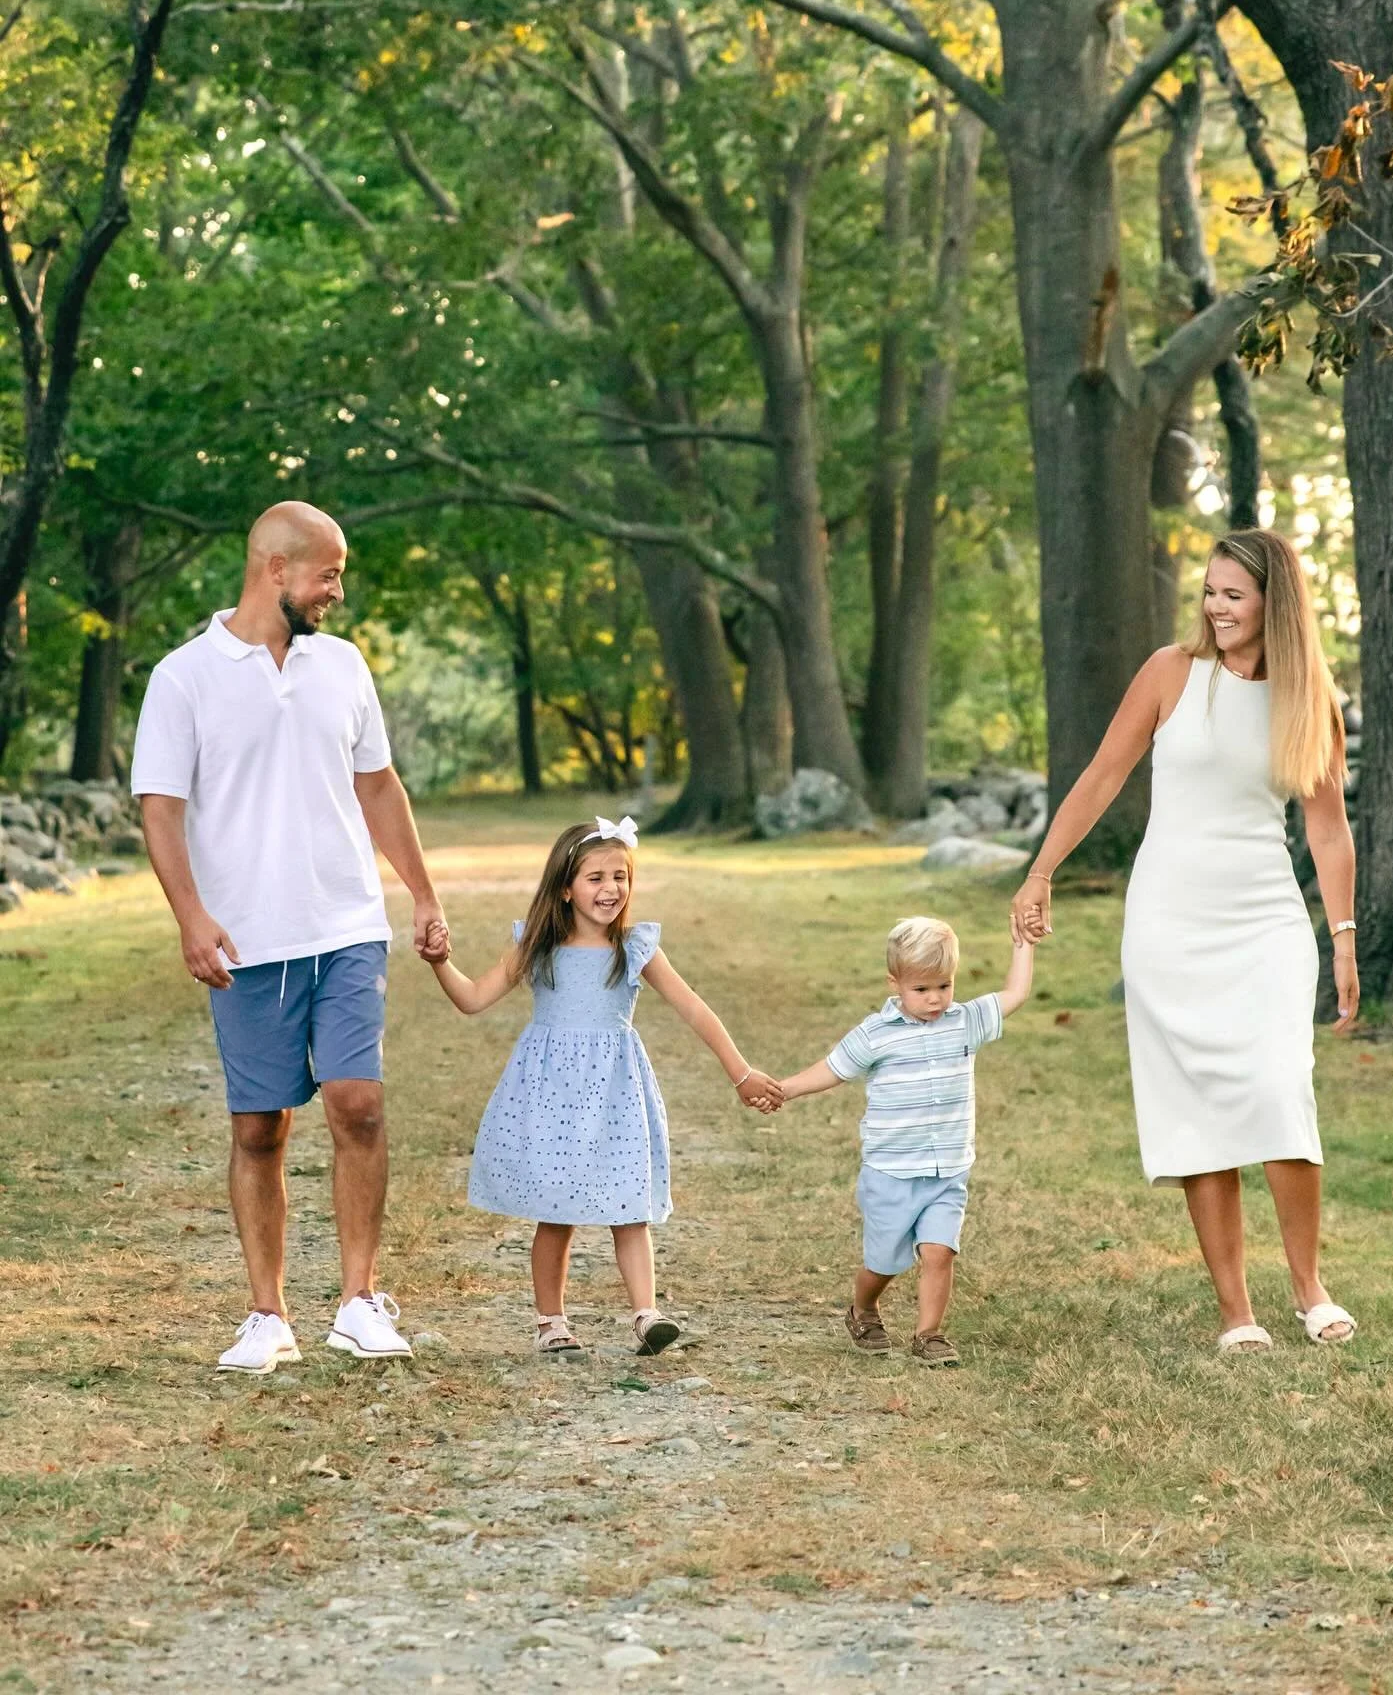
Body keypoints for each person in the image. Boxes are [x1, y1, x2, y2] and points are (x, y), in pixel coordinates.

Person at [1011, 529, 1358, 1352]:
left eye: (1234, 595)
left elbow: (1330, 831)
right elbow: (1102, 774)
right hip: (1169, 919)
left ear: (1275, 601)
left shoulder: (1310, 699)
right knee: (1197, 1109)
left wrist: (1341, 938)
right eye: (1209, 592)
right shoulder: (1172, 672)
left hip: (1267, 920)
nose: (1216, 607)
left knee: (1280, 1091)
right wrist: (1040, 871)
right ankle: (1237, 1310)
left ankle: (1310, 1289)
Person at [132, 502, 448, 1374]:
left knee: (360, 1103)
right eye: (329, 573)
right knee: (260, 1127)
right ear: (276, 569)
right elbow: (160, 808)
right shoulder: (184, 676)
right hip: (248, 940)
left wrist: (420, 892)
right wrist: (191, 916)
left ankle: (358, 1300)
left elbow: (380, 787)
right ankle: (267, 1314)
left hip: (346, 924)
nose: (338, 592)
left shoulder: (343, 667)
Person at [427, 816, 783, 1355]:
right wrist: (439, 962)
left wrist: (740, 1070)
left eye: (620, 876)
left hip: (615, 1093)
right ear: (565, 886)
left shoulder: (636, 947)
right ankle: (551, 1321)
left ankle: (647, 1314)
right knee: (557, 1212)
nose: (610, 889)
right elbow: (473, 998)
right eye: (595, 877)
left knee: (629, 1207)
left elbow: (694, 1009)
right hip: (551, 1095)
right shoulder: (538, 948)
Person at [777, 916, 1034, 1365]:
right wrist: (785, 1089)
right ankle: (864, 1307)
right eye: (921, 989)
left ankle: (928, 1334)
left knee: (939, 1252)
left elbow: (1014, 994)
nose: (935, 998)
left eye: (944, 985)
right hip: (891, 1172)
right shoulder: (876, 1034)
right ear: (895, 984)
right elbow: (832, 1069)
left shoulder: (965, 1022)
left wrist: (1023, 944)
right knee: (885, 1262)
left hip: (947, 1170)